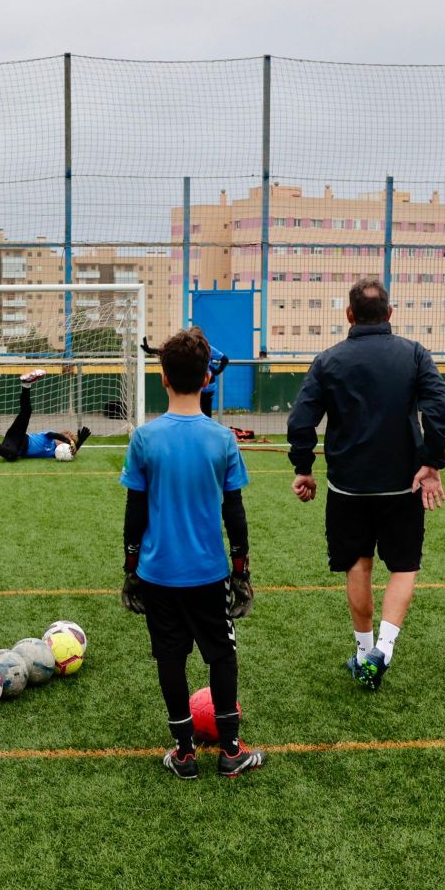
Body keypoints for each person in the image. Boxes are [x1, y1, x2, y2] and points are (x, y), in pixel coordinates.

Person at [285, 278, 445, 691]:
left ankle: (364, 654)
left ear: (349, 315)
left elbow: (301, 421)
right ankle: (382, 651)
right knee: (404, 566)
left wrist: (304, 467)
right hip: (402, 484)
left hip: (348, 487)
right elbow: (439, 407)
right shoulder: (414, 354)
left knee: (358, 564)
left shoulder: (328, 360)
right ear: (390, 314)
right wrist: (431, 462)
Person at [119, 328, 262, 779]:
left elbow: (135, 513)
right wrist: (240, 571)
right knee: (221, 655)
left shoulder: (144, 438)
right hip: (208, 573)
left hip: (157, 573)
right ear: (206, 378)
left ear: (162, 377)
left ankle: (184, 754)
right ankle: (231, 751)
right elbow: (234, 513)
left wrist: (130, 568)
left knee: (170, 658)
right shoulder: (222, 439)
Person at [0, 368, 90, 462]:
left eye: (65, 444)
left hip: (15, 447)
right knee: (27, 411)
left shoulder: (54, 453)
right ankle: (26, 384)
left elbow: (71, 453)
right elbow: (54, 435)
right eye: (63, 440)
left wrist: (78, 444)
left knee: (12, 456)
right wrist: (68, 440)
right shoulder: (50, 436)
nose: (62, 444)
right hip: (19, 435)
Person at [141, 337, 229, 418]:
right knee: (203, 414)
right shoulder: (186, 350)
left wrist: (216, 371)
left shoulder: (207, 349)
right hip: (198, 387)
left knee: (203, 412)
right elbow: (169, 352)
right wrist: (151, 350)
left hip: (203, 389)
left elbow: (225, 359)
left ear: (164, 379)